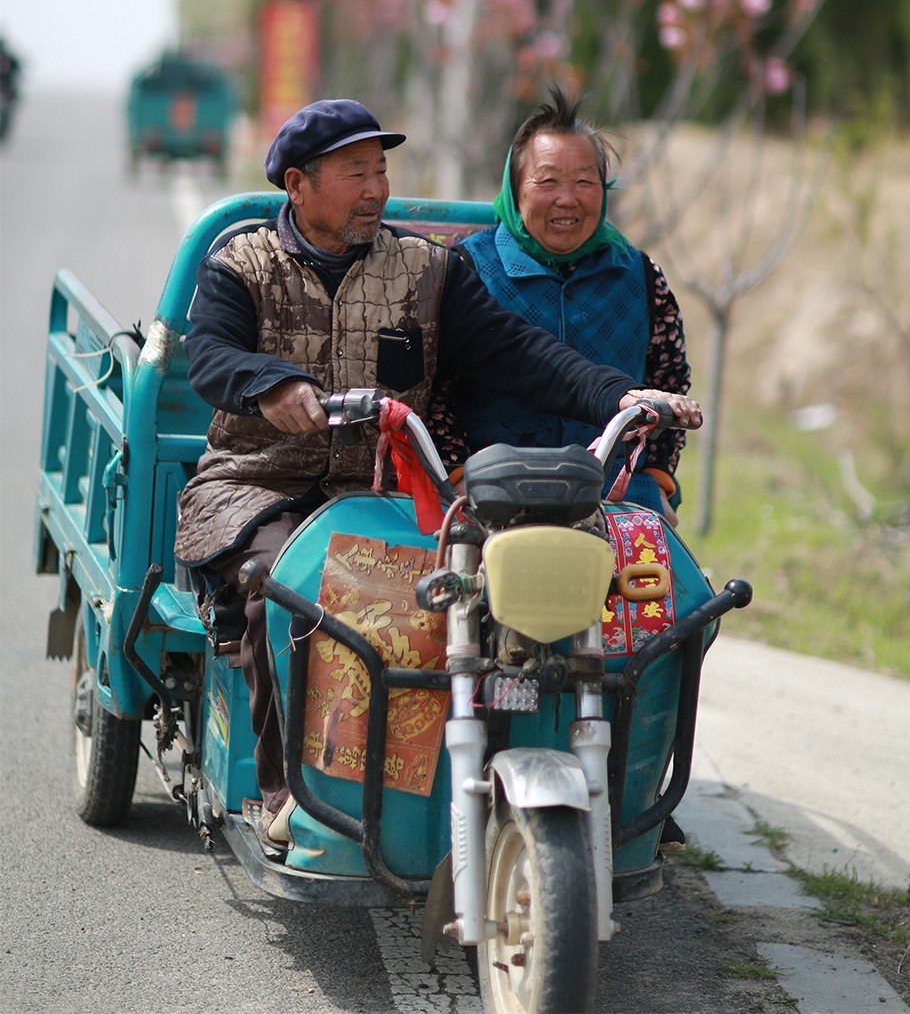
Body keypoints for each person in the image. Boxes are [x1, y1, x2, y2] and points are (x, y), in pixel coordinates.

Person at [173, 98, 701, 850]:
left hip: (381, 493)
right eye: (355, 172)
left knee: (451, 606)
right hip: (256, 484)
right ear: (297, 183)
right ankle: (286, 791)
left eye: (381, 170)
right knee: (286, 586)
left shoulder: (427, 269)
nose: (376, 189)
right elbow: (210, 353)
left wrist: (619, 394)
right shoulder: (241, 264)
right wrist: (270, 381)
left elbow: (521, 354)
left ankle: (443, 791)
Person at [448, 84, 691, 524]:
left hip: (616, 498)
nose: (568, 198)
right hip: (491, 499)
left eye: (584, 181)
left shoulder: (639, 274)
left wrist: (656, 478)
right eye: (548, 181)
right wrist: (457, 474)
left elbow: (669, 377)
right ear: (515, 188)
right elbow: (434, 389)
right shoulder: (466, 269)